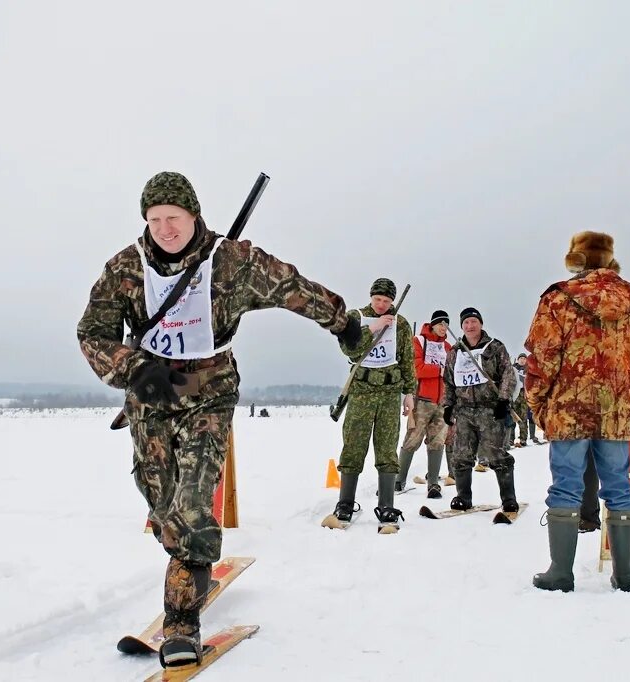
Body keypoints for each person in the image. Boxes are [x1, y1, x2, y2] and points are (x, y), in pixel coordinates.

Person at [77, 171, 362, 667]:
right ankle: (192, 560)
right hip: (151, 395)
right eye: (155, 219)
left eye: (174, 218)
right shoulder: (125, 268)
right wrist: (131, 369)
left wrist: (344, 323)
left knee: (192, 499)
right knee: (160, 497)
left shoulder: (232, 261)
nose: (165, 228)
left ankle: (182, 620)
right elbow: (93, 332)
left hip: (209, 392)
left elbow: (292, 287)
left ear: (194, 215)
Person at [526, 231, 630, 593]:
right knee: (619, 486)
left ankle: (561, 572)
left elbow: (542, 358)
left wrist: (538, 403)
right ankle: (625, 576)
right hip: (616, 412)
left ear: (576, 261)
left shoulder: (559, 299)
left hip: (570, 409)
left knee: (566, 485)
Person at [334, 278, 416, 531]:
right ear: (371, 297)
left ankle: (387, 505)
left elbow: (407, 360)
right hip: (362, 392)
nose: (381, 304)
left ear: (392, 301)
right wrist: (374, 327)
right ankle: (345, 504)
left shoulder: (401, 324)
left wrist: (409, 393)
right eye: (377, 299)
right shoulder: (355, 317)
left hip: (390, 393)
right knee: (354, 445)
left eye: (386, 301)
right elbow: (350, 349)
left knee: (387, 447)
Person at [441, 307, 519, 513]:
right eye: (465, 323)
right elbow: (448, 381)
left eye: (473, 322)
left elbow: (508, 374)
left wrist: (503, 400)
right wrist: (448, 406)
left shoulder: (495, 347)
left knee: (496, 454)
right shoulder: (455, 352)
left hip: (489, 409)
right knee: (461, 455)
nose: (470, 326)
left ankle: (509, 498)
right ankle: (463, 497)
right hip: (464, 410)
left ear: (481, 324)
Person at [396, 310, 453, 498]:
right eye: (441, 324)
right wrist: (439, 370)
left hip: (442, 402)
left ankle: (433, 483)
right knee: (412, 439)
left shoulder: (448, 347)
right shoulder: (418, 341)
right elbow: (416, 369)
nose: (444, 328)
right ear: (433, 324)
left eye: (446, 325)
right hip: (422, 400)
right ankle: (399, 480)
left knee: (437, 442)